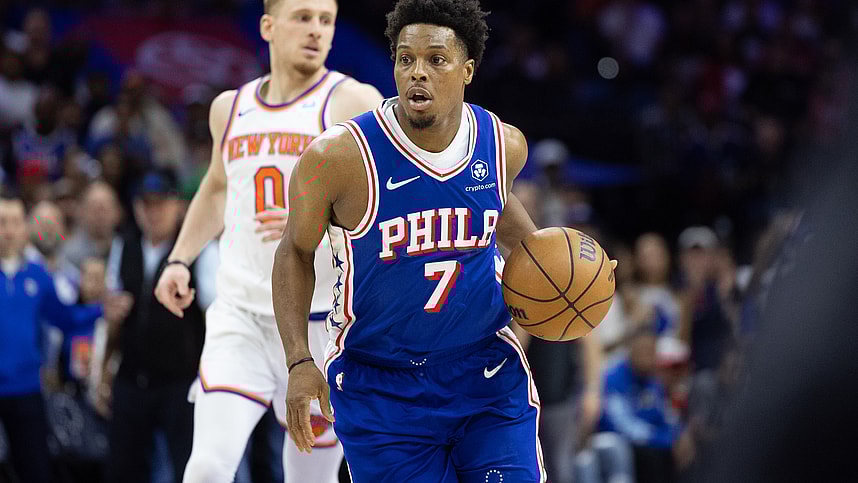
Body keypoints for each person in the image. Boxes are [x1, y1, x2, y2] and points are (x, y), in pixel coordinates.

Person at [272, 1, 574, 480]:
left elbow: (502, 213)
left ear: (467, 70)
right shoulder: (338, 158)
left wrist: (559, 277)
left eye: (436, 60)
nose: (418, 73)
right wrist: (298, 359)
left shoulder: (503, 145)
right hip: (380, 385)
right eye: (405, 59)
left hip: (484, 372)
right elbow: (294, 250)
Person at [152, 0, 383, 481]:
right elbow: (217, 187)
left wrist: (316, 215)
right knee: (208, 468)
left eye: (326, 21)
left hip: (321, 324)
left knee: (308, 477)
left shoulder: (352, 102)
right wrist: (178, 259)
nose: (316, 31)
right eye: (303, 17)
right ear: (268, 26)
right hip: (241, 318)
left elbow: (390, 197)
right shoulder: (229, 107)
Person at [0, 188, 131, 483]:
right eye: (2, 222)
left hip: (26, 389)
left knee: (36, 469)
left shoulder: (38, 275)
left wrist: (101, 310)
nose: (7, 230)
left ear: (25, 228)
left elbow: (65, 317)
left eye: (14, 222)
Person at [100, 169, 218, 483]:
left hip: (181, 379)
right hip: (132, 375)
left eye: (160, 203)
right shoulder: (124, 244)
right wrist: (102, 370)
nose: (152, 212)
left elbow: (216, 311)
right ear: (136, 207)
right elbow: (110, 312)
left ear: (178, 206)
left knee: (188, 466)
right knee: (123, 467)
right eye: (145, 204)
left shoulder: (200, 250)